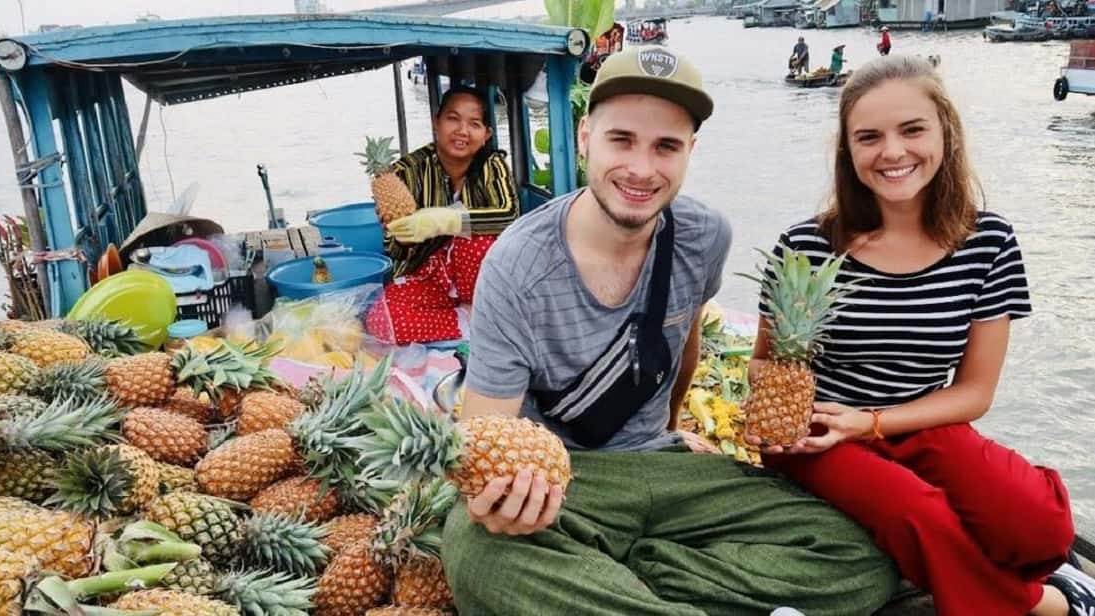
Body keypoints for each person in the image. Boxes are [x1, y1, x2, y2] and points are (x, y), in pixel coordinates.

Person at [440, 45, 899, 616]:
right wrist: (495, 504)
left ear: (690, 153)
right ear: (585, 136)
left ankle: (627, 574)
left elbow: (685, 346)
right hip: (567, 480)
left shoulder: (705, 236)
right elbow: (484, 435)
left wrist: (675, 428)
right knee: (475, 551)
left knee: (859, 559)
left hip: (668, 467)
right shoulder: (515, 266)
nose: (641, 168)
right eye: (621, 140)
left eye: (666, 147)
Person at [749, 55, 1095, 616]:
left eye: (912, 130)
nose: (892, 152)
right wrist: (802, 416)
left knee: (1041, 526)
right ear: (848, 150)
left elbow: (975, 392)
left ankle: (1041, 573)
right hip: (821, 429)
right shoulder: (806, 246)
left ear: (945, 134)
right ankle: (1045, 605)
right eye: (869, 137)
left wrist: (878, 424)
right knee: (918, 512)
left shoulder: (989, 241)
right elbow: (762, 363)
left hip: (922, 421)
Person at [364, 85, 519, 345]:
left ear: (486, 134)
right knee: (382, 319)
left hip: (484, 280)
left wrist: (445, 221)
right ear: (436, 122)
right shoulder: (405, 172)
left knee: (475, 238)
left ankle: (482, 311)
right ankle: (469, 321)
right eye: (453, 119)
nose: (462, 131)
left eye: (474, 123)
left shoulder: (492, 166)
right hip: (431, 275)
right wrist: (404, 234)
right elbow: (395, 251)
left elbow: (510, 214)